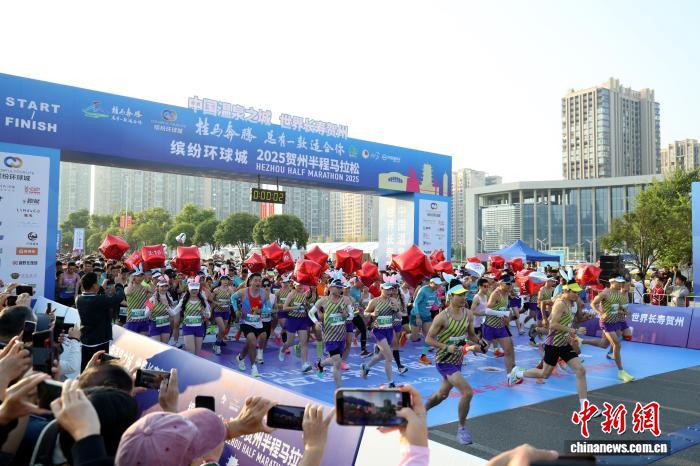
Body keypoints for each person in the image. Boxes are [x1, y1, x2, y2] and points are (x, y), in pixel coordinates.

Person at [509, 281, 601, 417]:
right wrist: (574, 330)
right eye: (574, 292)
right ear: (566, 291)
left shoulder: (572, 303)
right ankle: (518, 373)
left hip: (564, 343)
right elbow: (553, 325)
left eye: (577, 292)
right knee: (544, 374)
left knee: (581, 370)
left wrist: (584, 320)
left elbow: (571, 320)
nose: (577, 294)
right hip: (553, 344)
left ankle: (584, 407)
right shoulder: (560, 304)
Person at [425, 278, 482, 445]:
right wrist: (446, 347)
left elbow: (471, 335)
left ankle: (421, 410)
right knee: (467, 392)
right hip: (444, 360)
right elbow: (428, 339)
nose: (464, 297)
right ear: (450, 296)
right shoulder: (442, 317)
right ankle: (461, 429)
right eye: (459, 295)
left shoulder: (468, 314)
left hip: (458, 359)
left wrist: (480, 342)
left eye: (464, 294)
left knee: (442, 394)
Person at [581, 276, 635, 382]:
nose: (621, 284)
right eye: (619, 282)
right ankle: (621, 371)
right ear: (612, 282)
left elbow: (618, 306)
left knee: (604, 344)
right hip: (606, 323)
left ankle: (582, 341)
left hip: (616, 321)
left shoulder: (618, 293)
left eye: (622, 283)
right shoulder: (605, 293)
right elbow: (593, 304)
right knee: (617, 344)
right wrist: (601, 313)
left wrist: (625, 311)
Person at [76, 272, 125, 371]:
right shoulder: (99, 300)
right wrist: (119, 284)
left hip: (86, 340)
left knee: (86, 368)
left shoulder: (79, 298)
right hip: (99, 341)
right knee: (99, 370)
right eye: (97, 282)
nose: (99, 284)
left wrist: (101, 288)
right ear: (94, 285)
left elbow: (96, 298)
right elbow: (119, 297)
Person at [361, 279, 403, 387]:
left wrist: (396, 310)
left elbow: (399, 317)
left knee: (381, 356)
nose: (389, 292)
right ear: (381, 289)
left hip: (389, 330)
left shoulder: (393, 301)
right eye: (387, 289)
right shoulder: (374, 301)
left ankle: (366, 366)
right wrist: (372, 314)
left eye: (391, 290)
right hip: (378, 331)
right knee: (389, 357)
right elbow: (365, 313)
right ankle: (391, 382)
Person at [311, 279, 352, 387]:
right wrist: (316, 322)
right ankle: (339, 389)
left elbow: (351, 315)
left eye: (341, 287)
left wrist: (346, 315)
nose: (340, 289)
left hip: (341, 335)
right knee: (337, 361)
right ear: (330, 288)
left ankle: (320, 364)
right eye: (337, 287)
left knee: (335, 361)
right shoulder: (323, 301)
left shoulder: (346, 299)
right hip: (329, 336)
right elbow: (311, 312)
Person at [483, 275, 519, 381]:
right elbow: (487, 311)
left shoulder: (507, 292)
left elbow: (504, 308)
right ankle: (468, 348)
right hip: (490, 326)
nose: (510, 285)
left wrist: (507, 316)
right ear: (501, 283)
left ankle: (510, 376)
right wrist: (502, 313)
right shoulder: (496, 294)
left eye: (511, 283)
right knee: (483, 349)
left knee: (508, 350)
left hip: (500, 327)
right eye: (508, 284)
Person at [231, 273, 268, 376]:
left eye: (259, 280)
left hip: (257, 322)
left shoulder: (264, 293)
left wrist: (262, 310)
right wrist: (236, 310)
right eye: (255, 280)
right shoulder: (243, 292)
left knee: (260, 338)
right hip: (245, 321)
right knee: (252, 341)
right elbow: (232, 298)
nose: (258, 282)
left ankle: (240, 358)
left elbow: (267, 307)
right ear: (250, 281)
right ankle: (253, 368)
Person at [279, 280, 314, 372]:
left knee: (304, 343)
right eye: (298, 285)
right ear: (294, 285)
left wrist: (306, 307)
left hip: (302, 320)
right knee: (290, 342)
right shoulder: (291, 294)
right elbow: (284, 308)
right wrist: (296, 308)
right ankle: (283, 349)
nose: (300, 286)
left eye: (302, 284)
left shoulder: (305, 295)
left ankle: (304, 364)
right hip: (292, 320)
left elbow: (307, 307)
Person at [175, 278, 211, 356]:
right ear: (188, 289)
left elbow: (209, 314)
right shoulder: (184, 300)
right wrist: (166, 306)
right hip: (188, 328)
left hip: (199, 328)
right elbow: (174, 312)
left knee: (197, 354)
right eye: (192, 289)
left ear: (198, 290)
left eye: (196, 289)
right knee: (191, 353)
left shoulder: (203, 300)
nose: (194, 291)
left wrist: (204, 313)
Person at [411, 277, 443, 365]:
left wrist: (440, 304)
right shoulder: (423, 290)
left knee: (429, 336)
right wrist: (417, 316)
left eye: (439, 285)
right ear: (431, 283)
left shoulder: (435, 290)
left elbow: (436, 300)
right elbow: (415, 303)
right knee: (414, 337)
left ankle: (423, 357)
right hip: (416, 315)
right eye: (436, 285)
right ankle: (406, 335)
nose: (437, 286)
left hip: (427, 316)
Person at [147, 276, 176, 343]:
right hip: (154, 325)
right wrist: (151, 307)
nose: (164, 288)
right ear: (157, 288)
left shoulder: (169, 298)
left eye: (166, 286)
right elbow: (145, 315)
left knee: (164, 346)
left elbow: (173, 314)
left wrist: (167, 306)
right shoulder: (151, 299)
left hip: (165, 325)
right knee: (156, 347)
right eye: (162, 286)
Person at [211, 275, 235, 355]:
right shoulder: (216, 290)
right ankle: (217, 345)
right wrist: (217, 303)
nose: (225, 281)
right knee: (222, 328)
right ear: (220, 281)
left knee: (223, 330)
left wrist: (231, 302)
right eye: (223, 280)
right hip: (218, 311)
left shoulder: (230, 289)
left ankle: (219, 339)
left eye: (226, 280)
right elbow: (211, 299)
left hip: (227, 311)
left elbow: (233, 299)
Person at [124, 271, 150, 336]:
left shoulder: (146, 288)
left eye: (141, 276)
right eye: (137, 276)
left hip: (144, 320)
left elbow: (150, 301)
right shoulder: (127, 288)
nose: (139, 278)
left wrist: (150, 310)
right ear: (132, 277)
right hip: (132, 320)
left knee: (143, 340)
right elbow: (128, 292)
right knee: (132, 341)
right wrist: (130, 281)